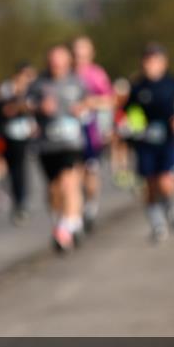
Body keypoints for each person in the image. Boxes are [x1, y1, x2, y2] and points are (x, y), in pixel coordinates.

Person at [124, 43, 174, 244]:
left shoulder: (173, 84)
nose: (150, 65)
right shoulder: (138, 87)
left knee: (166, 181)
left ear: (163, 63)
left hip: (168, 141)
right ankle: (157, 225)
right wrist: (132, 126)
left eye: (154, 61)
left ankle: (171, 206)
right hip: (145, 142)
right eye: (146, 61)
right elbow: (129, 111)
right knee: (150, 185)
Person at [27, 43, 88, 252]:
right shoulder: (38, 84)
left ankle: (65, 229)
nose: (57, 64)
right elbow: (23, 105)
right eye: (53, 61)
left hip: (71, 143)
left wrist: (83, 108)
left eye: (61, 60)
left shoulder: (77, 82)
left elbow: (91, 102)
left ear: (68, 61)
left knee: (68, 183)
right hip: (47, 145)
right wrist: (38, 107)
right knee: (53, 190)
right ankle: (66, 222)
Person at [72, 36, 115, 233]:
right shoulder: (66, 74)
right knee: (73, 173)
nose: (79, 57)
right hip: (69, 132)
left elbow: (110, 100)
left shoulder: (96, 74)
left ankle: (90, 204)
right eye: (76, 52)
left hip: (91, 131)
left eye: (83, 53)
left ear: (91, 53)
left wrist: (91, 103)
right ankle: (75, 212)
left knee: (90, 174)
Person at [0, 63, 37, 225]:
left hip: (25, 135)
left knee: (21, 169)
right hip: (8, 134)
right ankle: (13, 197)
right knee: (11, 168)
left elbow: (33, 108)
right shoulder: (6, 89)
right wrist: (20, 104)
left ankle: (21, 200)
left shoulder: (33, 90)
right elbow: (5, 110)